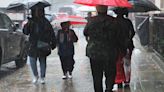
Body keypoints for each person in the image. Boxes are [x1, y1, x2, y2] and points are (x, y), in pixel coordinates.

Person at [84, 5, 119, 92]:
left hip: (94, 52)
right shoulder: (113, 21)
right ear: (106, 9)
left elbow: (85, 32)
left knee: (96, 76)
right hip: (110, 52)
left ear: (97, 9)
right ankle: (108, 89)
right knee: (110, 73)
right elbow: (118, 35)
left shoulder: (91, 21)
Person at [23, 7, 56, 84]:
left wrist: (53, 43)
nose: (38, 13)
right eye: (36, 11)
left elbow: (51, 33)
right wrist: (28, 24)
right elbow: (26, 32)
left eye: (40, 11)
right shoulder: (31, 21)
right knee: (32, 61)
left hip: (43, 44)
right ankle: (35, 75)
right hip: (33, 44)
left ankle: (42, 77)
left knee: (42, 61)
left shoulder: (45, 22)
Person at [113, 7, 135, 87]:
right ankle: (127, 80)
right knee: (127, 64)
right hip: (127, 45)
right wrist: (128, 39)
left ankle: (119, 80)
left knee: (118, 63)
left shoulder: (113, 21)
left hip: (116, 46)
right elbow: (132, 32)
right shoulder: (128, 22)